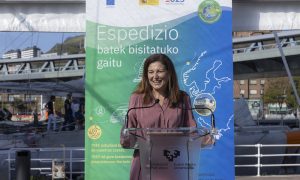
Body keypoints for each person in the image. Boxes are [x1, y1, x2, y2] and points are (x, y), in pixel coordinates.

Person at [120, 54, 198, 180]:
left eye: (160, 71)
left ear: (169, 73)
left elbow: (192, 131)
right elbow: (129, 133)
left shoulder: (183, 98)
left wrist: (205, 138)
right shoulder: (136, 98)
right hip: (144, 164)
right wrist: (125, 136)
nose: (155, 76)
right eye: (150, 72)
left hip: (173, 163)